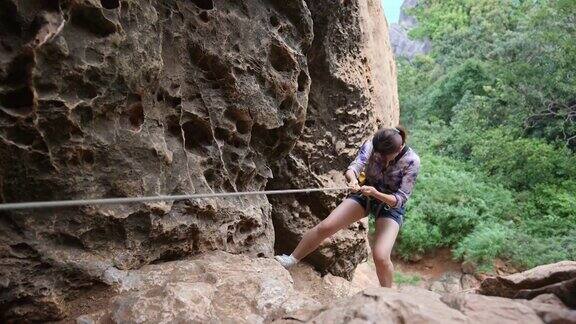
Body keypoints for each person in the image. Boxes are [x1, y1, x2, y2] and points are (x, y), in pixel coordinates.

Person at [274, 126, 421, 288]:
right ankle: (291, 259)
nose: (381, 158)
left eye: (386, 155)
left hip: (389, 205)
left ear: (399, 148)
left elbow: (400, 199)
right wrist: (352, 180)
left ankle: (387, 294)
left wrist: (375, 193)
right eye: (379, 154)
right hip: (365, 194)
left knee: (381, 255)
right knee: (326, 226)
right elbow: (355, 167)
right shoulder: (372, 144)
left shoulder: (412, 161)